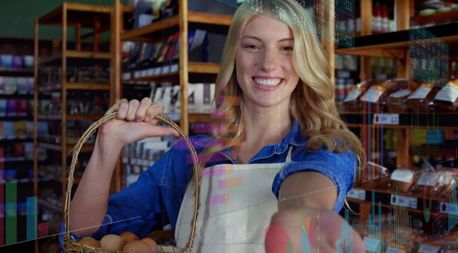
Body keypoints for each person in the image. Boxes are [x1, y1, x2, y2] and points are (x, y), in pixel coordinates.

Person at [69, 0, 365, 252]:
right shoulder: (190, 156)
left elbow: (312, 182)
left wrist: (301, 213)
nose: (268, 63)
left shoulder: (326, 147)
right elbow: (85, 233)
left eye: (287, 48)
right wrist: (106, 148)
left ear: (305, 60)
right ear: (234, 55)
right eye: (252, 45)